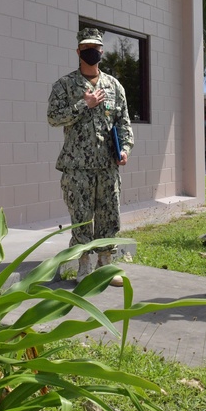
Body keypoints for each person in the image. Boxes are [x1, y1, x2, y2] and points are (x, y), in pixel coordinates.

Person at [47, 27, 134, 286]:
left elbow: (124, 123)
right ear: (78, 51)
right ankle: (84, 266)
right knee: (82, 217)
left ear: (102, 51)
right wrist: (85, 104)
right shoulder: (65, 85)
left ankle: (106, 266)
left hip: (107, 165)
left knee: (109, 215)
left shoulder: (114, 86)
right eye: (86, 48)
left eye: (95, 48)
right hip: (77, 166)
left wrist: (125, 149)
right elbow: (53, 118)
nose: (91, 52)